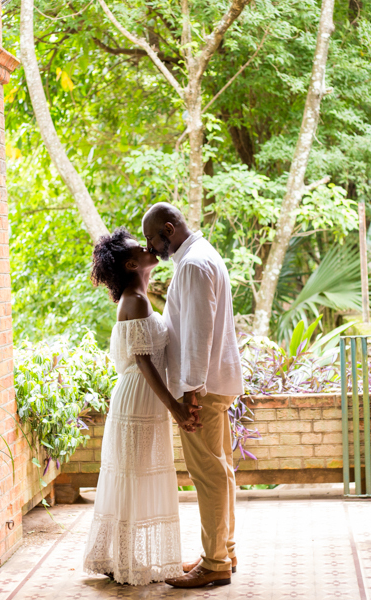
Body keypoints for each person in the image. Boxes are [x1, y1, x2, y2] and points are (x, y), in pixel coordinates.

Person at [81, 227, 200, 586]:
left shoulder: (138, 297)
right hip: (139, 396)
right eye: (140, 246)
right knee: (133, 478)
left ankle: (122, 557)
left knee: (135, 476)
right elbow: (145, 362)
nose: (149, 246)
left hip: (142, 397)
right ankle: (126, 560)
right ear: (132, 263)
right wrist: (176, 409)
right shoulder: (135, 300)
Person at [141, 203, 244, 589]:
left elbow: (199, 334)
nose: (150, 249)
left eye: (152, 239)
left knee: (208, 473)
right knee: (220, 469)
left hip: (203, 388)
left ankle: (215, 562)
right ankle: (224, 550)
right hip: (213, 384)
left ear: (169, 229)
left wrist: (191, 394)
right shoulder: (201, 257)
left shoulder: (194, 265)